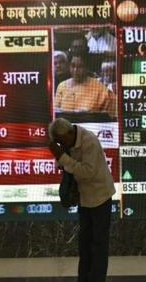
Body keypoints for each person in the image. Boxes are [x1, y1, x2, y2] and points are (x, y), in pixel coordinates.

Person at [48, 118, 116, 282]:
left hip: (100, 197)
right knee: (84, 244)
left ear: (69, 133)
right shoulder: (68, 142)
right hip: (84, 199)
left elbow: (87, 172)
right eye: (57, 143)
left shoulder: (89, 141)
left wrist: (62, 157)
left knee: (99, 244)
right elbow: (68, 169)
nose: (60, 145)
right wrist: (61, 158)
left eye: (60, 141)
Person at [54, 49, 116, 117]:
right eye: (73, 66)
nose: (75, 70)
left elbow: (110, 116)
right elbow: (56, 112)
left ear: (87, 68)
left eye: (80, 66)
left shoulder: (100, 88)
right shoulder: (62, 86)